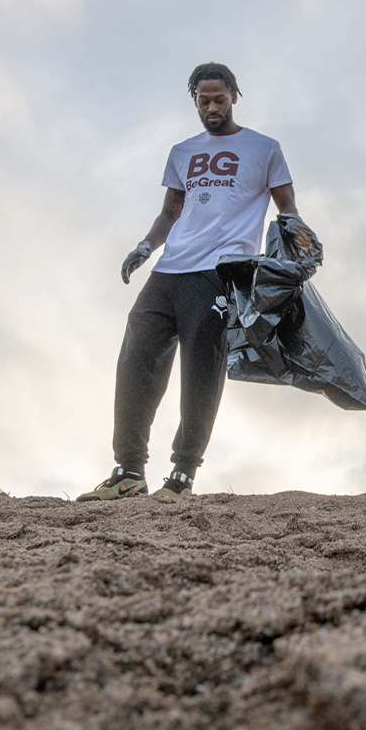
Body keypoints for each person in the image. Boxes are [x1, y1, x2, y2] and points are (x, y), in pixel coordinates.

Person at [77, 62, 306, 501]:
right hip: (170, 271)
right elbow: (170, 212)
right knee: (136, 359)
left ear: (234, 96)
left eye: (219, 99)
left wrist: (299, 249)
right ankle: (128, 472)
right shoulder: (182, 152)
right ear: (195, 101)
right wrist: (145, 248)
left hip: (220, 273)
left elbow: (287, 208)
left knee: (201, 369)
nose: (212, 107)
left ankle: (182, 477)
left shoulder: (264, 148)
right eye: (204, 101)